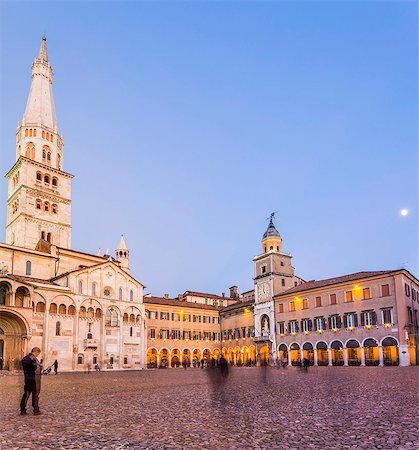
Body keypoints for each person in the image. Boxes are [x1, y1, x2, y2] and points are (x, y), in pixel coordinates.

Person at [20, 347, 43, 416]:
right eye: (38, 353)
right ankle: (36, 410)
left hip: (27, 379)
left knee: (26, 394)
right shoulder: (33, 359)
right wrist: (40, 366)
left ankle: (23, 410)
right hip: (35, 379)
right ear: (36, 352)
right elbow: (35, 368)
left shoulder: (24, 358)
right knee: (35, 395)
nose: (38, 355)